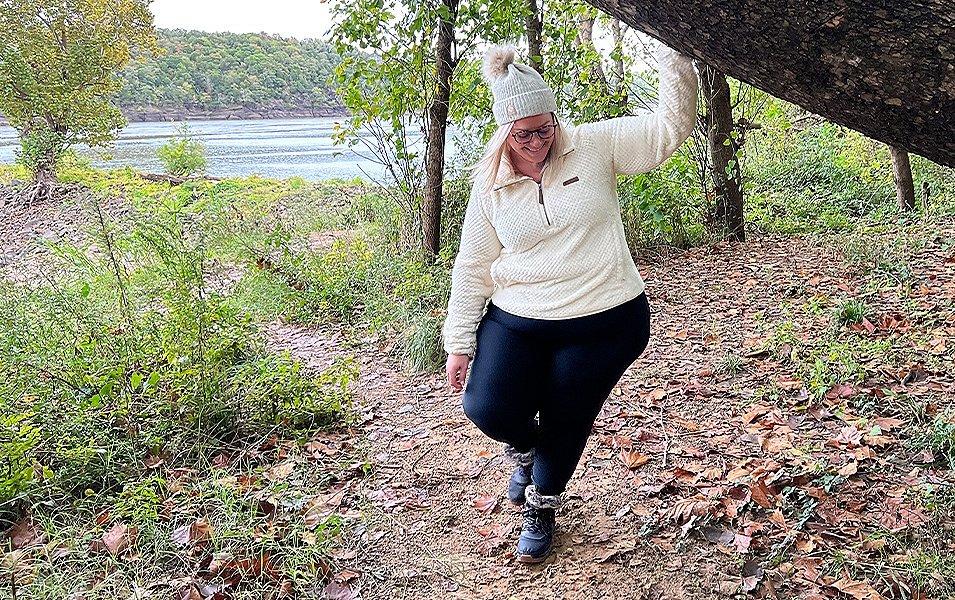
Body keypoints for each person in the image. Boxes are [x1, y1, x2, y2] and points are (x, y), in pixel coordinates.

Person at [443, 43, 698, 563]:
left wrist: (674, 54)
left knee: (567, 410)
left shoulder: (593, 145)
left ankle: (542, 501)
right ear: (504, 133)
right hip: (521, 316)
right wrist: (459, 341)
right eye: (526, 134)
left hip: (605, 318)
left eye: (547, 127)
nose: (540, 141)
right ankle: (529, 451)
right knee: (486, 406)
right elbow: (473, 264)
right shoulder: (489, 185)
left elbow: (667, 130)